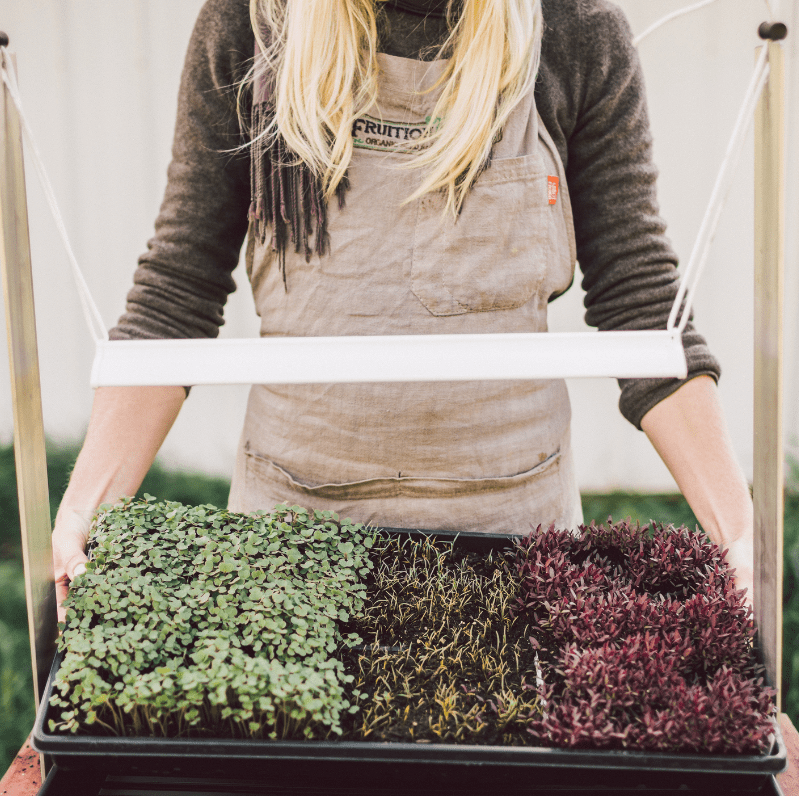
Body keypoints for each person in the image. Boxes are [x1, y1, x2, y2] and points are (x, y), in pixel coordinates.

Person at [52, 0, 754, 622]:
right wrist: (84, 508)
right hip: (294, 528)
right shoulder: (252, 25)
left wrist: (740, 536)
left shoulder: (573, 31)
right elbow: (179, 289)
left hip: (511, 527)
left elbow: (642, 300)